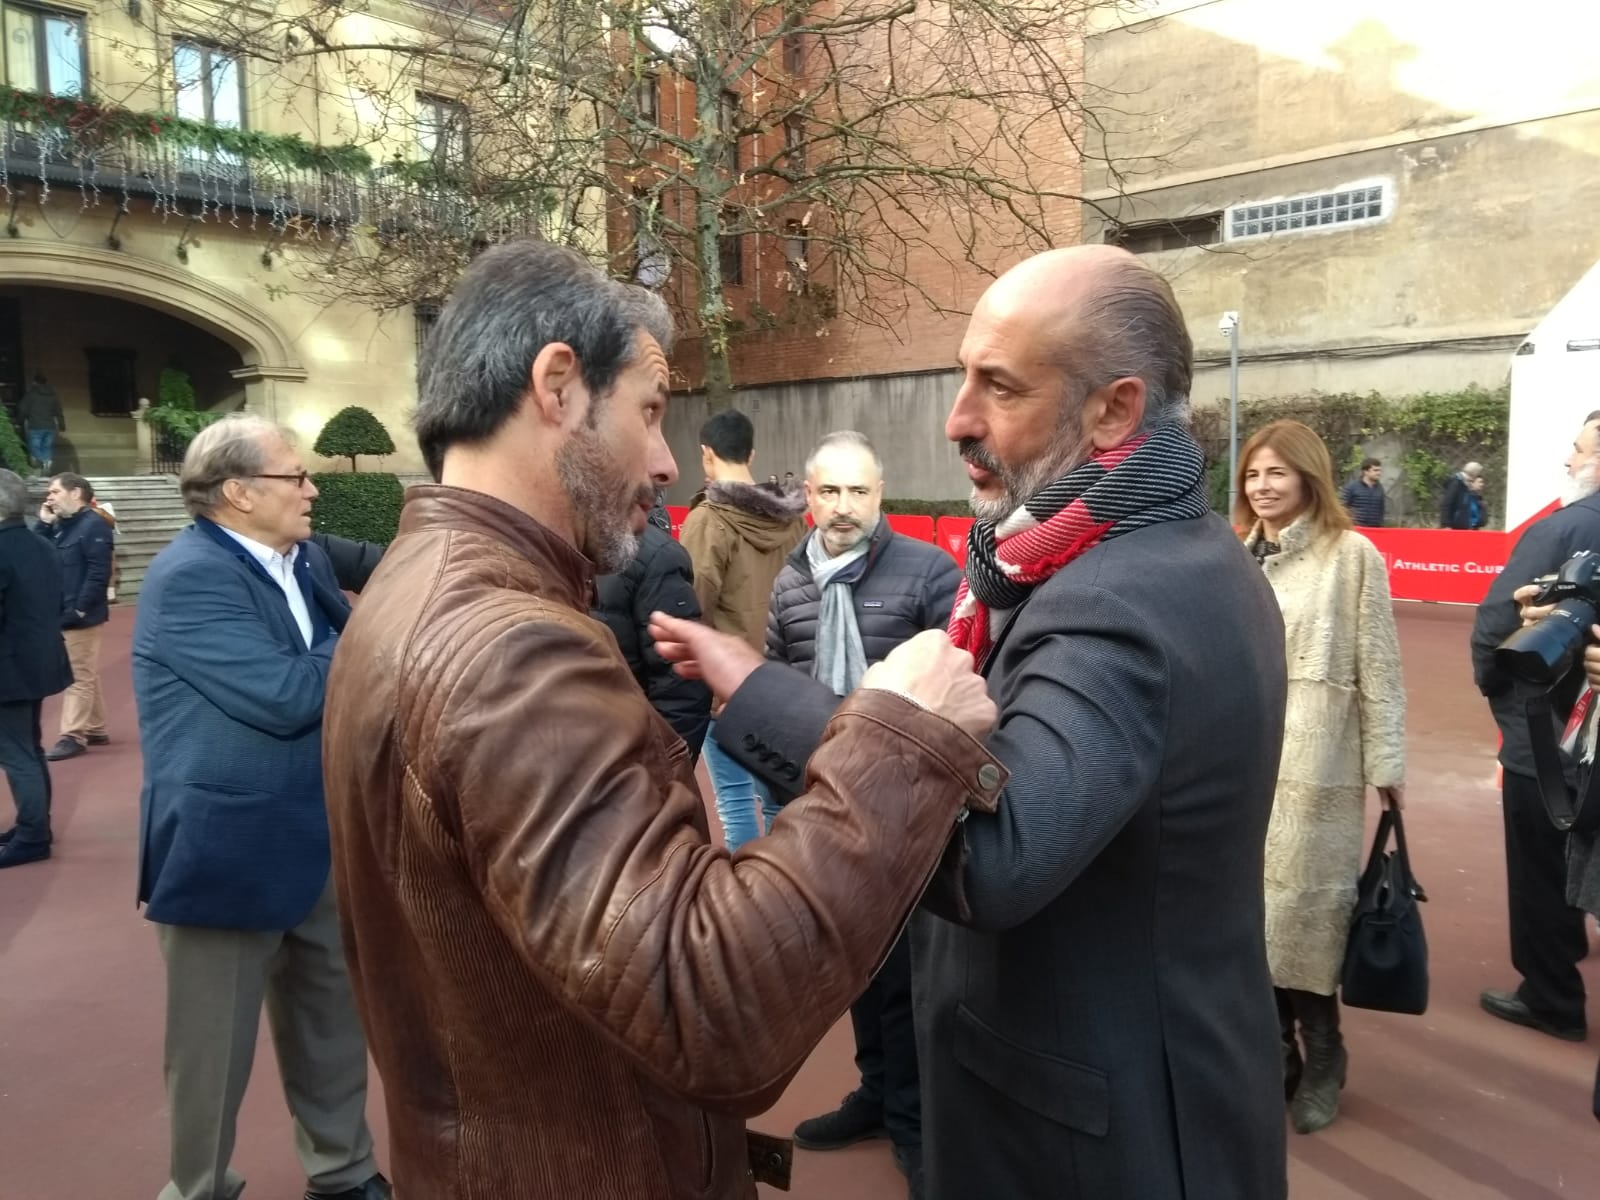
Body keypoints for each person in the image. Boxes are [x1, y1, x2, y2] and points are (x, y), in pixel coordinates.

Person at [320, 240, 1003, 1200]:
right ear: (558, 386)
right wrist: (900, 734)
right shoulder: (512, 647)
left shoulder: (416, 586)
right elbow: (713, 1009)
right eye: (648, 410)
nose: (665, 459)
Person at [655, 244, 1290, 1199]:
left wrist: (764, 691)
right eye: (964, 377)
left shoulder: (1116, 598)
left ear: (1114, 410)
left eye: (999, 386)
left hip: (1096, 1142)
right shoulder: (1118, 555)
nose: (957, 419)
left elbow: (995, 854)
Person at [133, 415, 390, 1200]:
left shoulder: (302, 553)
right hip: (225, 852)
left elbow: (398, 562)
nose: (312, 489)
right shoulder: (189, 578)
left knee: (332, 1024)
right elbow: (286, 695)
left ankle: (343, 1172)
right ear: (238, 493)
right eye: (295, 476)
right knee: (211, 1053)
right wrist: (375, 634)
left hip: (318, 834)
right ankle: (198, 1187)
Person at [767, 430, 961, 1198]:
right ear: (808, 499)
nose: (843, 506)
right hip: (827, 814)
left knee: (911, 982)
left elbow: (961, 690)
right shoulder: (791, 584)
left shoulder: (930, 573)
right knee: (855, 973)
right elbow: (781, 694)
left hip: (910, 819)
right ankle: (877, 1094)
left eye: (858, 491)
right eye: (829, 491)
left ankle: (916, 1123)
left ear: (880, 496)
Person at [1236, 420, 1406, 1134]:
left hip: (1317, 763)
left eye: (1276, 472)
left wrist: (1387, 763)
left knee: (1307, 913)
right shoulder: (1235, 557)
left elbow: (1380, 663)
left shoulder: (1351, 555)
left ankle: (1325, 1051)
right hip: (1241, 763)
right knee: (1249, 914)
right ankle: (1277, 1052)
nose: (1262, 486)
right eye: (1252, 474)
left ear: (1309, 476)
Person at [1470, 412, 1600, 1044]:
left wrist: (1501, 696)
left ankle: (1551, 996)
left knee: (1539, 866)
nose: (1569, 462)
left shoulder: (1563, 528)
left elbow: (1497, 624)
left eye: (1577, 451)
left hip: (1548, 737)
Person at [678, 409, 806, 850]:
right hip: (785, 684)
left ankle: (745, 890)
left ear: (706, 454)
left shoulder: (707, 521)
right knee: (777, 805)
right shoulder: (792, 519)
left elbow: (694, 604)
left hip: (727, 686)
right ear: (751, 454)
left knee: (733, 805)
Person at [593, 494, 713, 758]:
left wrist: (664, 770)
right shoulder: (524, 547)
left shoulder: (655, 555)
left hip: (626, 754)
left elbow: (680, 688)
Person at [0, 468, 73, 869]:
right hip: (37, 660)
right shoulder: (41, 544)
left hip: (9, 668)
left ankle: (33, 835)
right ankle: (34, 824)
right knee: (29, 747)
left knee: (17, 753)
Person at [36, 472, 113, 761]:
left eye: (55, 492)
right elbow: (34, 555)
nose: (49, 498)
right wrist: (44, 524)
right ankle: (95, 727)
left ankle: (73, 735)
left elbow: (98, 573)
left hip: (80, 614)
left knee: (77, 675)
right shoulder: (61, 525)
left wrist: (79, 609)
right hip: (60, 610)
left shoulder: (94, 525)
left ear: (76, 492)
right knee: (84, 671)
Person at [19, 373, 63, 474]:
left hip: (35, 425)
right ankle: (47, 461)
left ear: (34, 382)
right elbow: (59, 411)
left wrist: (19, 422)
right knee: (46, 447)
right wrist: (62, 425)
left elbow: (22, 409)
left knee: (34, 447)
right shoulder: (53, 395)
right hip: (50, 426)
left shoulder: (30, 395)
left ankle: (44, 461)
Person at [1339, 456, 1385, 527]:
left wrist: (1379, 526)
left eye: (1379, 470)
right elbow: (1342, 507)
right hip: (1356, 529)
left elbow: (1381, 510)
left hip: (1374, 529)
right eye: (1375, 470)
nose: (1379, 473)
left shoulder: (1380, 488)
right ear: (1365, 471)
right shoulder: (1352, 487)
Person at [1442, 461, 1488, 529]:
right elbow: (1447, 503)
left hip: (1462, 526)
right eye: (1477, 474)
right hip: (1454, 527)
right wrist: (1446, 524)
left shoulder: (1464, 484)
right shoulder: (1456, 483)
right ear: (1474, 474)